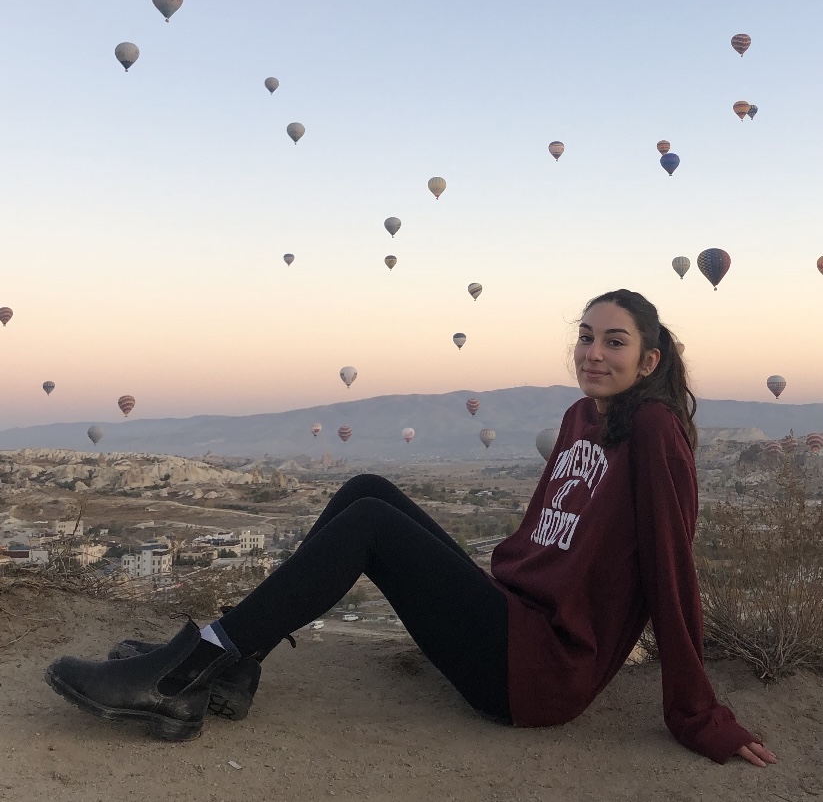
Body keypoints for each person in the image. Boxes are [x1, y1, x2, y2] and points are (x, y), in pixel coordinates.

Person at [45, 289, 776, 767]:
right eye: (585, 336)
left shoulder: (652, 429)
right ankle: (234, 663)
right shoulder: (581, 416)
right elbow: (542, 538)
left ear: (648, 359)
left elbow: (670, 568)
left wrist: (694, 711)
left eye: (614, 342)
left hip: (540, 674)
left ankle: (185, 675)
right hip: (513, 623)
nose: (592, 351)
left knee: (368, 524)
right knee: (368, 486)